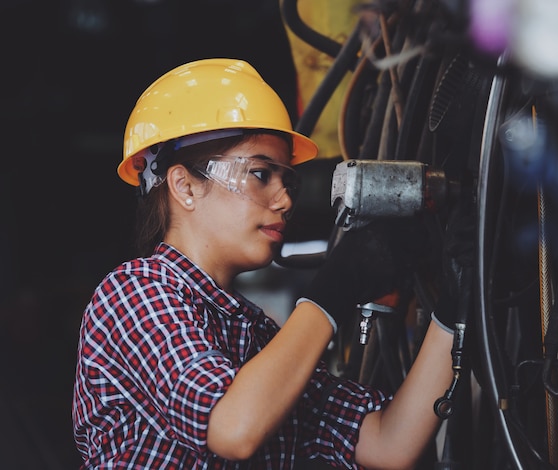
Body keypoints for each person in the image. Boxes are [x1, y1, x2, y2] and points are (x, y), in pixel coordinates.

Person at [72, 58, 461, 469]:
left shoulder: (255, 337)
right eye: (260, 174)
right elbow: (232, 428)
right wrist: (334, 290)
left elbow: (389, 442)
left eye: (286, 180)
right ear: (184, 186)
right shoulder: (133, 294)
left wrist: (455, 303)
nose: (286, 200)